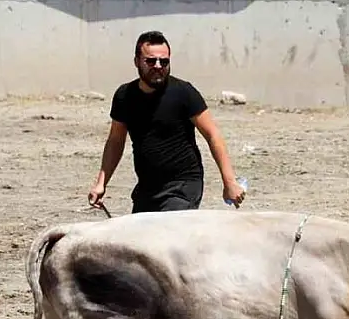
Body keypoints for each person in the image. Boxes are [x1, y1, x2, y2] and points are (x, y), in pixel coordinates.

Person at [88, 30, 247, 213]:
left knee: (168, 236)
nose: (158, 66)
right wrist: (101, 183)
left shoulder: (183, 93)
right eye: (150, 61)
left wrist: (229, 182)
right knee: (142, 240)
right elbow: (116, 141)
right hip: (147, 188)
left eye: (164, 61)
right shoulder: (125, 96)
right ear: (137, 61)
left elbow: (213, 135)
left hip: (183, 186)